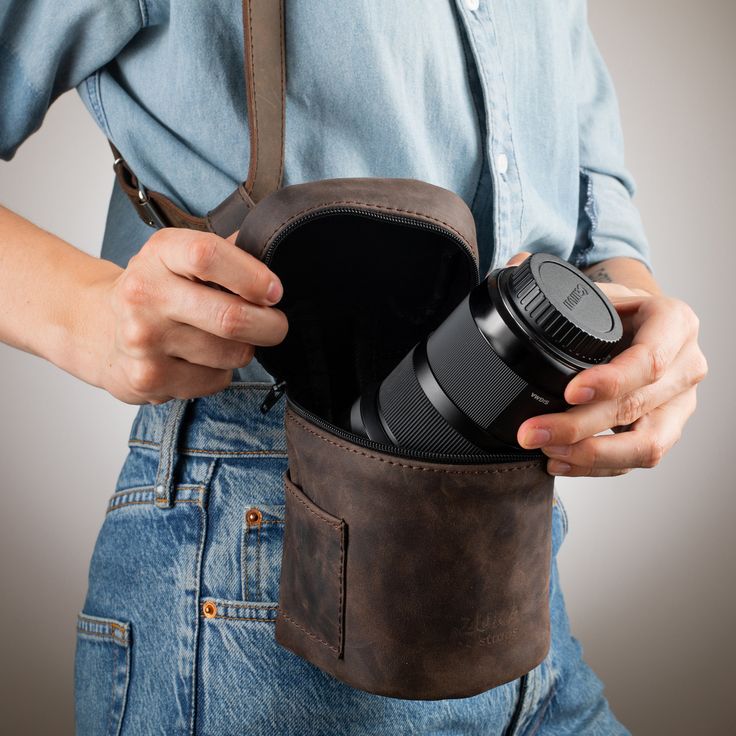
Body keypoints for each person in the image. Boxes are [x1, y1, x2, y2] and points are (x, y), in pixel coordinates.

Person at [0, 1, 707, 734]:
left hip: (520, 575)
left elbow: (591, 188)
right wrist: (87, 314)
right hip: (273, 546)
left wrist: (642, 328)